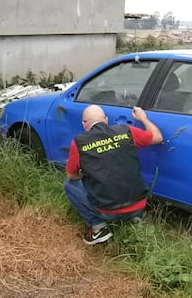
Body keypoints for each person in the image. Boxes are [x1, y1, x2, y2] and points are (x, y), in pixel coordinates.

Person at [64, 105, 163, 245]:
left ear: (83, 124)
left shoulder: (78, 143)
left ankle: (98, 228)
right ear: (106, 119)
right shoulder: (127, 131)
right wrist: (143, 118)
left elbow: (71, 175)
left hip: (106, 211)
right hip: (139, 205)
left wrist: (85, 174)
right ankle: (134, 219)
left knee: (69, 185)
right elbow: (158, 137)